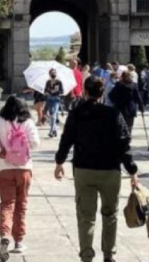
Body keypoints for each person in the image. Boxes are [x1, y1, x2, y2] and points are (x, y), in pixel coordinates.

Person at [54, 77, 139, 262]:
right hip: (110, 171)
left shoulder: (76, 113)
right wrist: (132, 170)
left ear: (84, 91)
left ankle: (86, 255)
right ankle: (109, 254)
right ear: (102, 93)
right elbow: (124, 144)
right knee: (110, 214)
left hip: (84, 169)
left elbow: (66, 139)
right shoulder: (114, 114)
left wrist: (59, 161)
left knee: (86, 216)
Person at [0, 96, 40, 260]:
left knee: (7, 204)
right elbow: (36, 143)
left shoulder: (0, 120)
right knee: (21, 205)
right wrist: (24, 148)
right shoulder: (28, 122)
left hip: (4, 167)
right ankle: (18, 241)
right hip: (24, 168)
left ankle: (4, 235)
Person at [44, 69, 64, 138]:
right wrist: (48, 91)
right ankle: (55, 130)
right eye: (52, 73)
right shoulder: (48, 82)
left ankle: (51, 131)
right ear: (49, 74)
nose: (53, 74)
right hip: (49, 99)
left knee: (53, 115)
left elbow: (62, 91)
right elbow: (45, 90)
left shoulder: (59, 82)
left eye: (54, 72)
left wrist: (56, 91)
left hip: (56, 99)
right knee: (51, 115)